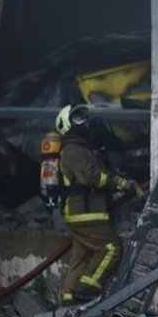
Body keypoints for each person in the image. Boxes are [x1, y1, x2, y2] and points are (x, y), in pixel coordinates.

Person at [54, 104, 144, 305]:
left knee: (81, 256)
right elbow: (90, 177)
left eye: (83, 118)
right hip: (85, 213)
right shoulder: (73, 149)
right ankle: (87, 289)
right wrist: (120, 183)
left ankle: (69, 297)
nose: (84, 122)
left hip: (85, 212)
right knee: (111, 247)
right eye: (77, 119)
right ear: (66, 125)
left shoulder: (83, 148)